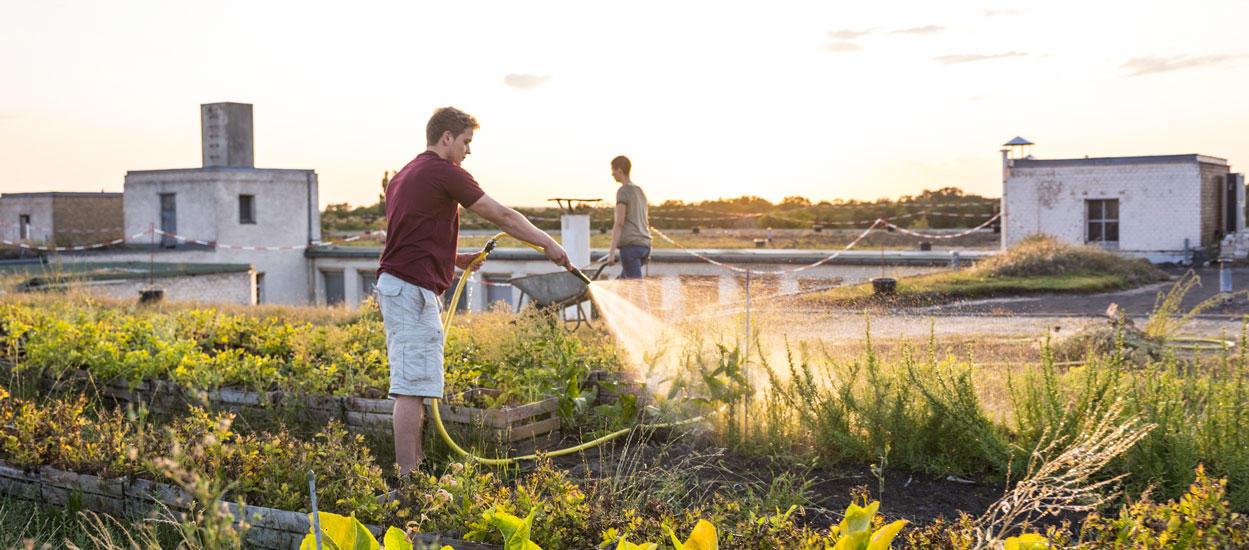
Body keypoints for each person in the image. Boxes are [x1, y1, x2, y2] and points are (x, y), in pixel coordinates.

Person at [375, 106, 573, 475]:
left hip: (403, 286)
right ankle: (408, 482)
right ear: (447, 137)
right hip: (410, 291)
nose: (468, 151)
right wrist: (548, 243)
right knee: (410, 388)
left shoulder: (405, 174)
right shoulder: (445, 172)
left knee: (414, 385)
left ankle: (413, 473)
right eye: (466, 142)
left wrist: (456, 258)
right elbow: (503, 216)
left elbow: (412, 238)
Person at [607, 155, 652, 279]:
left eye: (613, 170)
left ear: (619, 170)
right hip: (645, 247)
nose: (612, 174)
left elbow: (619, 223)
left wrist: (611, 254)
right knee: (622, 285)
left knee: (637, 290)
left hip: (631, 249)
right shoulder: (640, 191)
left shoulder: (623, 191)